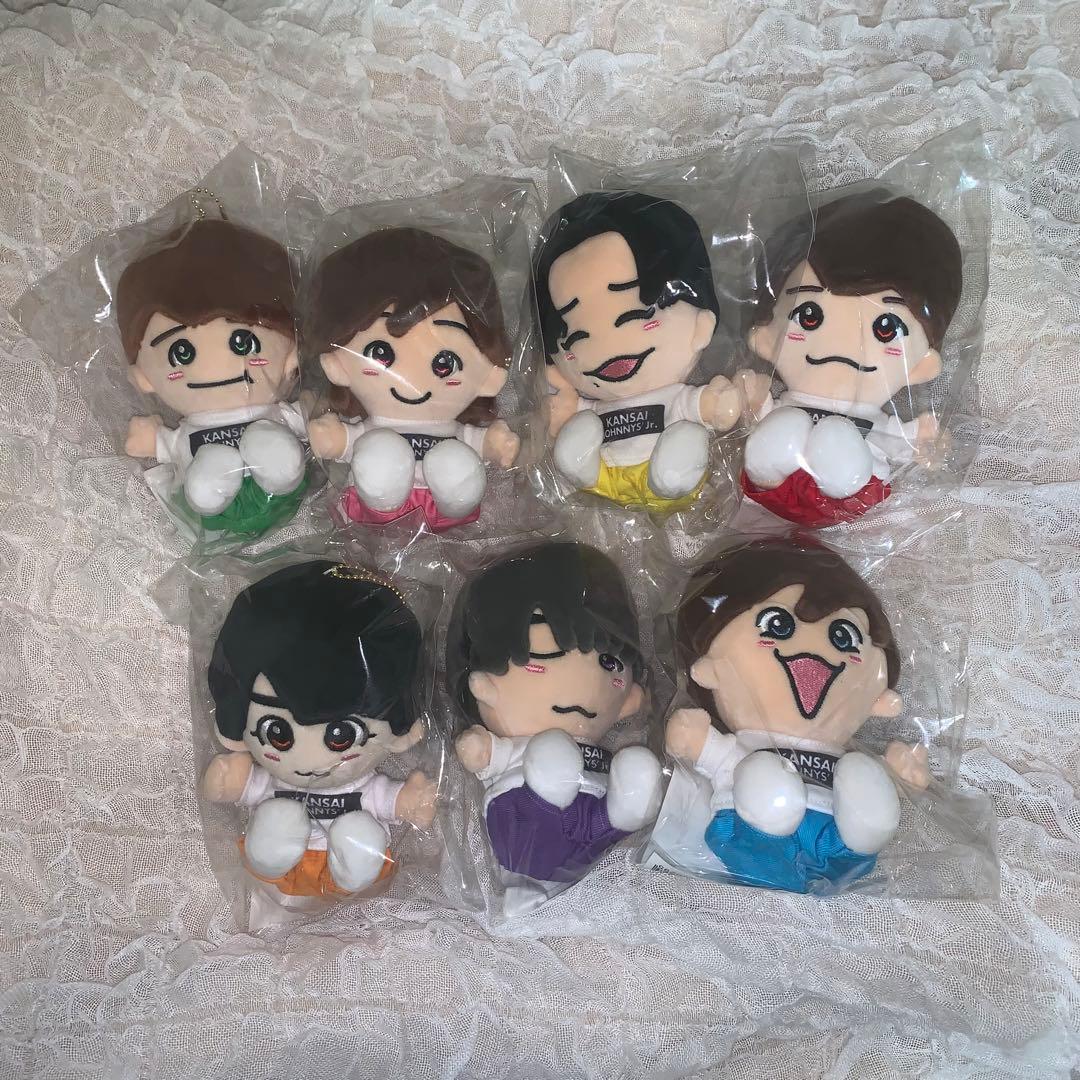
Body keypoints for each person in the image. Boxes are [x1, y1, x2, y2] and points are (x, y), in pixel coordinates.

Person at [666, 537, 930, 893]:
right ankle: (774, 813)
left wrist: (896, 776)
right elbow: (714, 753)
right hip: (751, 835)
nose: (815, 654)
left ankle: (869, 829)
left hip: (840, 841)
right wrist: (697, 740)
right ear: (710, 670)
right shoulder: (744, 747)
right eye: (777, 625)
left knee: (860, 773)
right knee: (760, 774)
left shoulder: (846, 758)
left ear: (879, 700)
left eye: (843, 636)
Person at [201, 561, 437, 898]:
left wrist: (410, 801)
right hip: (278, 875)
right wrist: (232, 781)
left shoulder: (363, 787)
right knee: (278, 820)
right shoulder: (274, 780)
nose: (310, 761)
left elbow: (387, 799)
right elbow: (249, 786)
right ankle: (269, 856)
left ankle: (353, 867)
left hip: (351, 872)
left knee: (358, 831)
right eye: (277, 733)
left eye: (341, 736)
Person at [735, 189, 963, 528]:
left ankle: (836, 473)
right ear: (766, 339)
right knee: (783, 428)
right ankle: (771, 469)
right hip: (771, 489)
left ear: (920, 366)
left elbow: (901, 443)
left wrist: (924, 441)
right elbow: (752, 413)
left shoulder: (878, 423)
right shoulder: (786, 406)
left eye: (886, 328)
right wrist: (751, 401)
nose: (841, 343)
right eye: (808, 315)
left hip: (852, 492)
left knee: (834, 438)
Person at [446, 541, 662, 889]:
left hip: (593, 824)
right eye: (547, 656)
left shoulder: (603, 747)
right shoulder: (517, 746)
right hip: (525, 817)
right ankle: (532, 868)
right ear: (483, 684)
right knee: (550, 757)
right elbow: (483, 755)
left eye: (609, 663)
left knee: (633, 772)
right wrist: (480, 748)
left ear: (629, 699)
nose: (584, 685)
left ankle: (625, 814)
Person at [533, 191, 742, 512]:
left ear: (701, 325)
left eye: (639, 315)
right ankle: (582, 470)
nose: (605, 345)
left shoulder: (675, 397)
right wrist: (565, 410)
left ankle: (672, 477)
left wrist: (716, 404)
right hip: (603, 483)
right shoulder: (592, 407)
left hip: (667, 486)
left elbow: (703, 407)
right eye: (575, 336)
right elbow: (570, 415)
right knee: (580, 434)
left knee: (685, 439)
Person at [305, 227, 520, 531]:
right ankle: (383, 495)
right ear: (337, 364)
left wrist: (494, 444)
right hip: (371, 512)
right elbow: (345, 440)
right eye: (380, 353)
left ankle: (456, 497)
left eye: (445, 364)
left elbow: (479, 443)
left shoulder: (457, 433)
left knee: (454, 462)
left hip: (446, 513)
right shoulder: (370, 430)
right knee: (379, 453)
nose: (413, 379)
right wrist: (333, 438)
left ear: (489, 376)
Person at [117, 218, 308, 536]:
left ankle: (277, 469)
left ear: (292, 355)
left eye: (242, 342)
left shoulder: (279, 410)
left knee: (271, 447)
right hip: (215, 515)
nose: (214, 365)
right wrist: (153, 440)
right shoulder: (187, 432)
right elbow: (170, 444)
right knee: (209, 474)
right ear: (145, 378)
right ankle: (213, 484)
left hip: (281, 498)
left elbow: (308, 420)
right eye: (182, 352)